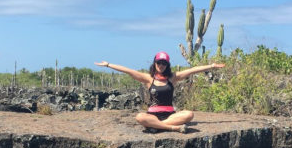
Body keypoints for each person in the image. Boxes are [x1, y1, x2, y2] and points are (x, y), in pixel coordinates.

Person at [95, 52, 225, 133]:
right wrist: (108, 65)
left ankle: (157, 127)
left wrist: (211, 66)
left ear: (167, 65)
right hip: (153, 115)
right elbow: (128, 71)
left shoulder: (173, 78)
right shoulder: (148, 78)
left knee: (189, 114)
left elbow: (193, 70)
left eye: (164, 63)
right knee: (140, 117)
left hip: (170, 116)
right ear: (155, 63)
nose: (161, 65)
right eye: (159, 62)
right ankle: (172, 128)